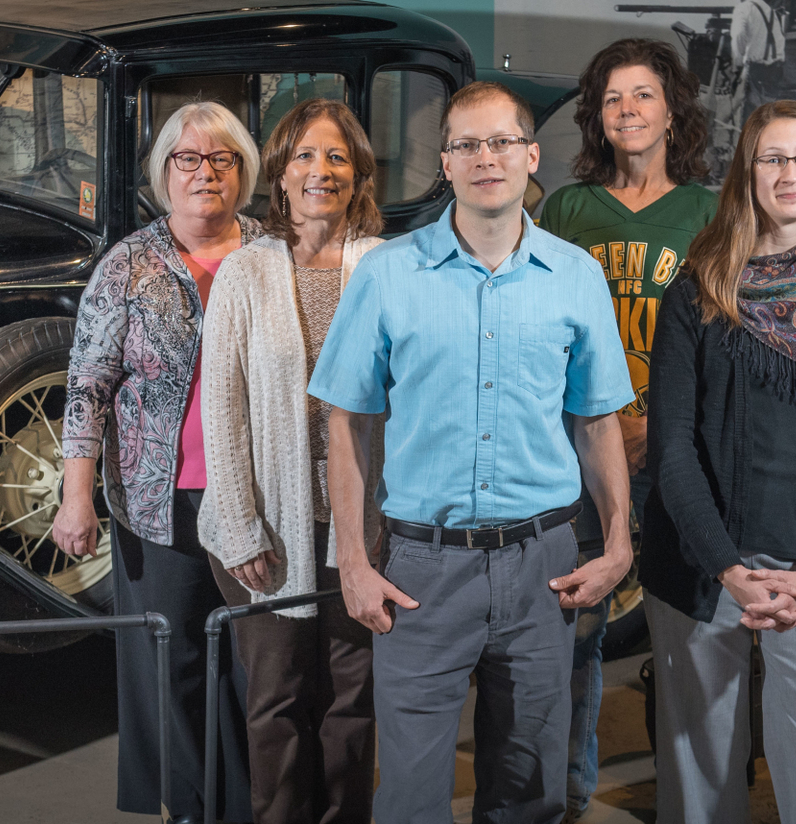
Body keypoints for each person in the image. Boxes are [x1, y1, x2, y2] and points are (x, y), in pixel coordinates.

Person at [308, 81, 636, 824]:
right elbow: (346, 422)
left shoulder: (577, 279)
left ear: (529, 155)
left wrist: (618, 541)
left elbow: (597, 422)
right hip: (423, 569)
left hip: (544, 566)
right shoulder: (389, 274)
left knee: (528, 794)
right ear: (446, 165)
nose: (485, 157)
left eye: (500, 142)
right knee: (413, 798)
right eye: (466, 145)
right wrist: (353, 564)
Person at [641, 99, 796, 824]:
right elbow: (673, 448)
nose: (791, 173)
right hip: (700, 563)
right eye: (772, 158)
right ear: (746, 174)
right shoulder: (698, 290)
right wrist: (725, 565)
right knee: (699, 780)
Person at [56, 101, 261, 824]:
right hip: (157, 501)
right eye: (189, 160)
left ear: (243, 171)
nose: (205, 174)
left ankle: (246, 809)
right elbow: (88, 385)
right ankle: (192, 806)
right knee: (170, 667)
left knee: (251, 665)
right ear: (164, 171)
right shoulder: (129, 265)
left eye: (221, 160)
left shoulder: (270, 252)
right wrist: (74, 497)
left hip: (256, 500)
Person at [536, 36, 718, 820]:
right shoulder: (568, 211)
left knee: (690, 628)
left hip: (678, 447)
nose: (628, 110)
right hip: (580, 444)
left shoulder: (710, 212)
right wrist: (599, 424)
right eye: (613, 99)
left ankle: (695, 795)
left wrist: (660, 423)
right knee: (574, 625)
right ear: (596, 118)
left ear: (671, 108)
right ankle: (570, 793)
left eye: (643, 94)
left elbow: (723, 340)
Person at [197, 98, 386, 824]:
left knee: (352, 699)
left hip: (360, 526)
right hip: (267, 532)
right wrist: (241, 527)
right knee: (274, 702)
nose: (321, 170)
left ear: (358, 173)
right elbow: (223, 407)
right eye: (305, 156)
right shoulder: (246, 272)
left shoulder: (385, 266)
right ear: (278, 174)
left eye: (337, 157)